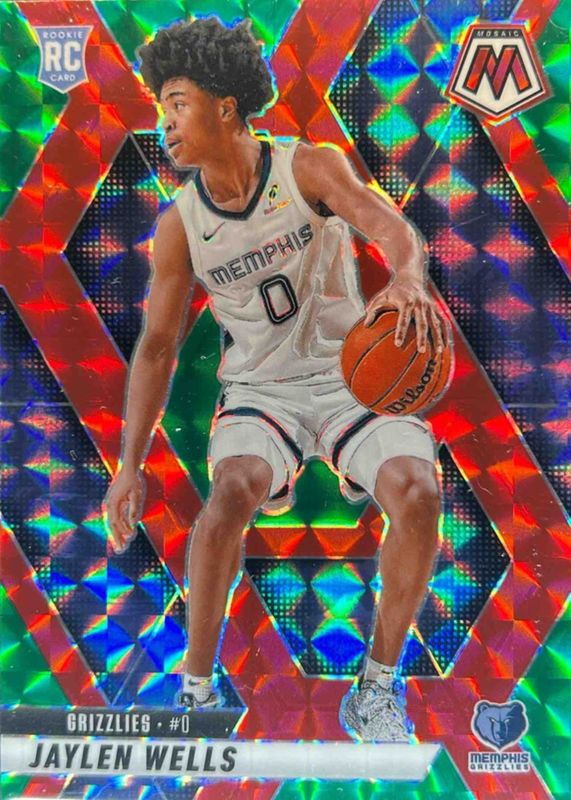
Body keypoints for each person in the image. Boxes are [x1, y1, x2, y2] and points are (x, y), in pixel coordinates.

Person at [103, 16, 447, 743]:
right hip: (262, 394)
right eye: (162, 107)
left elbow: (393, 230)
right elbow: (157, 349)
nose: (165, 122)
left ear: (226, 107)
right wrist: (128, 465)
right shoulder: (181, 225)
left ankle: (376, 688)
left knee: (419, 492)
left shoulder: (307, 169)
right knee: (228, 496)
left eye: (177, 103)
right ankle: (196, 694)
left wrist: (408, 277)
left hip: (349, 379)